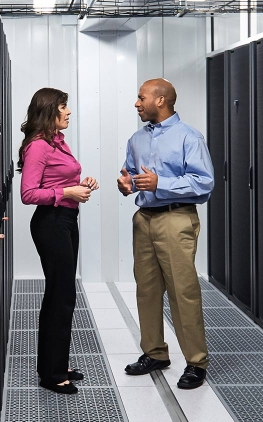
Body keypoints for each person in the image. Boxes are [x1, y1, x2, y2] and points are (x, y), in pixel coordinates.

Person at [116, 78, 214, 389]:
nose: (136, 103)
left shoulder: (189, 137)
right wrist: (127, 183)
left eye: (141, 97)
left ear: (160, 100)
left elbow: (204, 184)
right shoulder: (136, 138)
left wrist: (162, 184)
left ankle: (196, 362)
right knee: (146, 290)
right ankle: (155, 352)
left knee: (182, 292)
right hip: (144, 219)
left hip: (176, 219)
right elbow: (130, 172)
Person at [19, 87, 99, 395]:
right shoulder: (38, 147)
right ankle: (52, 375)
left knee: (61, 294)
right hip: (50, 223)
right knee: (60, 296)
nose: (68, 112)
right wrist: (66, 192)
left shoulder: (57, 142)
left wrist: (80, 184)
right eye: (63, 106)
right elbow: (29, 194)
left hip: (65, 221)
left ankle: (56, 364)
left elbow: (58, 180)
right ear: (50, 110)